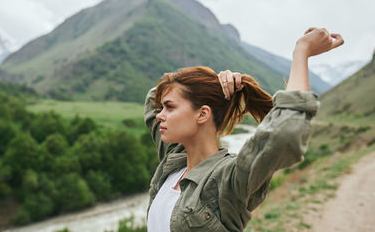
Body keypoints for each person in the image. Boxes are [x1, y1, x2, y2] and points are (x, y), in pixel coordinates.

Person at [144, 27, 344, 231]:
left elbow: (286, 133)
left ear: (202, 114)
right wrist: (216, 82)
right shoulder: (173, 161)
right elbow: (153, 98)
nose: (160, 115)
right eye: (162, 108)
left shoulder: (228, 179)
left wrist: (302, 51)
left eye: (169, 107)